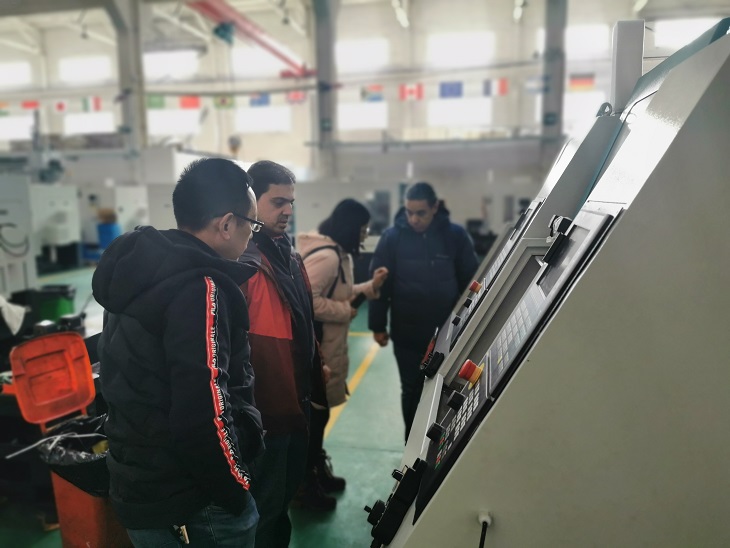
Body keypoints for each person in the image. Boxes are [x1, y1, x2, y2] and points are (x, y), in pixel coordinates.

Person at [92, 158, 265, 547]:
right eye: (251, 225)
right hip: (195, 501)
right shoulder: (200, 289)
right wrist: (236, 489)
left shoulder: (140, 273)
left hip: (139, 485)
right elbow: (204, 412)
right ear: (226, 224)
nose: (251, 237)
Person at [239, 160, 327, 546]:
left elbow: (302, 320)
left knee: (281, 504)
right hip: (265, 412)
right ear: (251, 203)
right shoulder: (242, 265)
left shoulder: (289, 257)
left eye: (291, 201)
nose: (288, 210)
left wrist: (316, 367)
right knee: (264, 508)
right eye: (277, 202)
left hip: (296, 404)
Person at [296, 199, 389, 509]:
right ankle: (304, 487)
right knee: (314, 418)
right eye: (362, 230)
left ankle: (316, 472)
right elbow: (306, 300)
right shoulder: (328, 257)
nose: (364, 236)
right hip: (318, 349)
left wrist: (370, 286)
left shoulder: (338, 254)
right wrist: (344, 312)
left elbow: (342, 294)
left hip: (329, 347)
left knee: (319, 416)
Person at [369, 182, 479, 440]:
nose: (414, 219)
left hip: (447, 335)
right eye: (409, 212)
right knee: (411, 390)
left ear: (435, 207)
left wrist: (472, 323)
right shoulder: (392, 238)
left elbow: (471, 282)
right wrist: (377, 325)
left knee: (445, 388)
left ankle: (439, 445)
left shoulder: (455, 237)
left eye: (421, 213)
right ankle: (411, 443)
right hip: (406, 333)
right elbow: (379, 285)